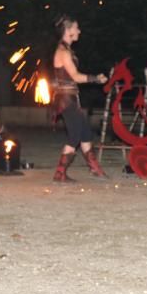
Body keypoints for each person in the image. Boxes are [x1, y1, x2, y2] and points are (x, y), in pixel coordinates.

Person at [52, 15, 108, 182]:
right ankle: (60, 173)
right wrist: (95, 78)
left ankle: (94, 168)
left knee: (85, 132)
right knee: (75, 135)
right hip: (66, 99)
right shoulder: (63, 52)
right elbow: (75, 76)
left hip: (70, 98)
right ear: (68, 31)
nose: (79, 31)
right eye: (76, 28)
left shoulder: (66, 50)